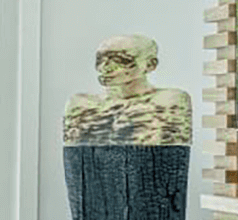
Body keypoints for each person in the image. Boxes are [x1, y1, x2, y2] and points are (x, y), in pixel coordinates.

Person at [62, 34, 191, 146]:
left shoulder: (168, 101)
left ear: (150, 65)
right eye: (100, 59)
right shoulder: (81, 104)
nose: (105, 67)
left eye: (119, 60)